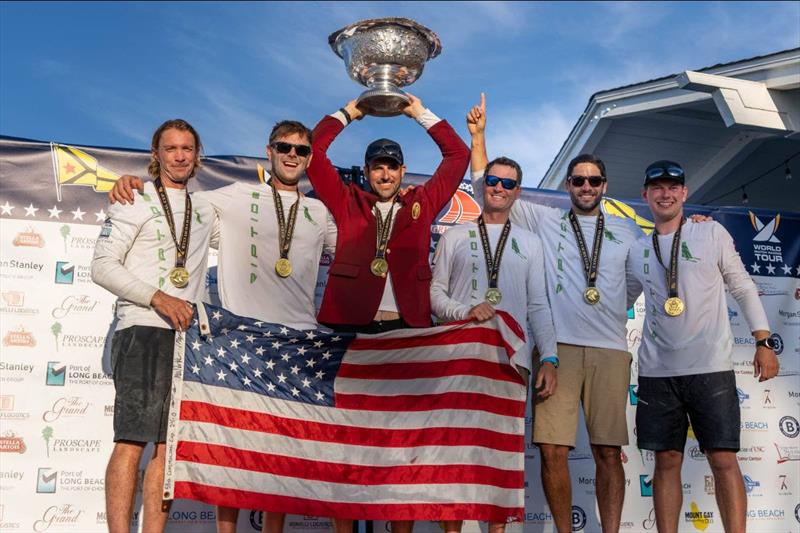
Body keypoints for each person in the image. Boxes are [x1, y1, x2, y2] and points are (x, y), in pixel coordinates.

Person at [108, 120, 337, 533]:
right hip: (206, 336)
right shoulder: (227, 197)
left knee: (262, 449)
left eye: (301, 150)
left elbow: (359, 247)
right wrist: (128, 180)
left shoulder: (315, 212)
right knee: (211, 447)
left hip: (282, 343)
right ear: (268, 151)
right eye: (284, 146)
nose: (292, 155)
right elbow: (111, 255)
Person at [467, 94, 640, 533]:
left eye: (594, 181)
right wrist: (479, 136)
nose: (586, 188)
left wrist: (614, 308)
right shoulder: (544, 220)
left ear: (604, 186)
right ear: (568, 185)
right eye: (578, 181)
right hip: (556, 349)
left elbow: (640, 280)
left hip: (610, 350)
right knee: (552, 450)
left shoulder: (625, 229)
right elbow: (484, 184)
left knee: (607, 451)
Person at [305, 94, 469, 532]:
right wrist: (350, 112)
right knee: (347, 440)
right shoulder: (347, 201)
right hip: (351, 331)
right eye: (377, 166)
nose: (384, 173)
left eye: (392, 166)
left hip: (406, 332)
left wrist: (419, 113)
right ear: (368, 171)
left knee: (402, 444)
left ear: (401, 171)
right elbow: (313, 151)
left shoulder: (422, 203)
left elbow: (459, 155)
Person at [628, 160, 779, 533]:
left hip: (710, 368)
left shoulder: (710, 233)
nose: (665, 194)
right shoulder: (636, 249)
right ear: (645, 195)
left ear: (684, 194)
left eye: (672, 187)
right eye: (657, 188)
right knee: (665, 461)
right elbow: (619, 303)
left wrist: (763, 340)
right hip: (657, 372)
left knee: (724, 459)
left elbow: (742, 286)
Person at [92, 119, 217, 532]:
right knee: (131, 442)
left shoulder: (208, 209)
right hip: (142, 328)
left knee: (168, 449)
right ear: (155, 154)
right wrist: (158, 297)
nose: (180, 156)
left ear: (198, 155)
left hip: (185, 338)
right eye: (171, 148)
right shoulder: (133, 199)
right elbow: (101, 266)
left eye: (187, 148)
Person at [430, 155, 558, 533]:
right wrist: (464, 310)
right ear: (481, 186)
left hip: (510, 360)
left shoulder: (531, 242)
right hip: (459, 356)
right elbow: (434, 294)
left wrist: (549, 357)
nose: (499, 188)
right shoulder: (453, 236)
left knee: (500, 456)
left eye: (507, 183)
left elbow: (538, 304)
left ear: (517, 192)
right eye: (493, 181)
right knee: (455, 452)